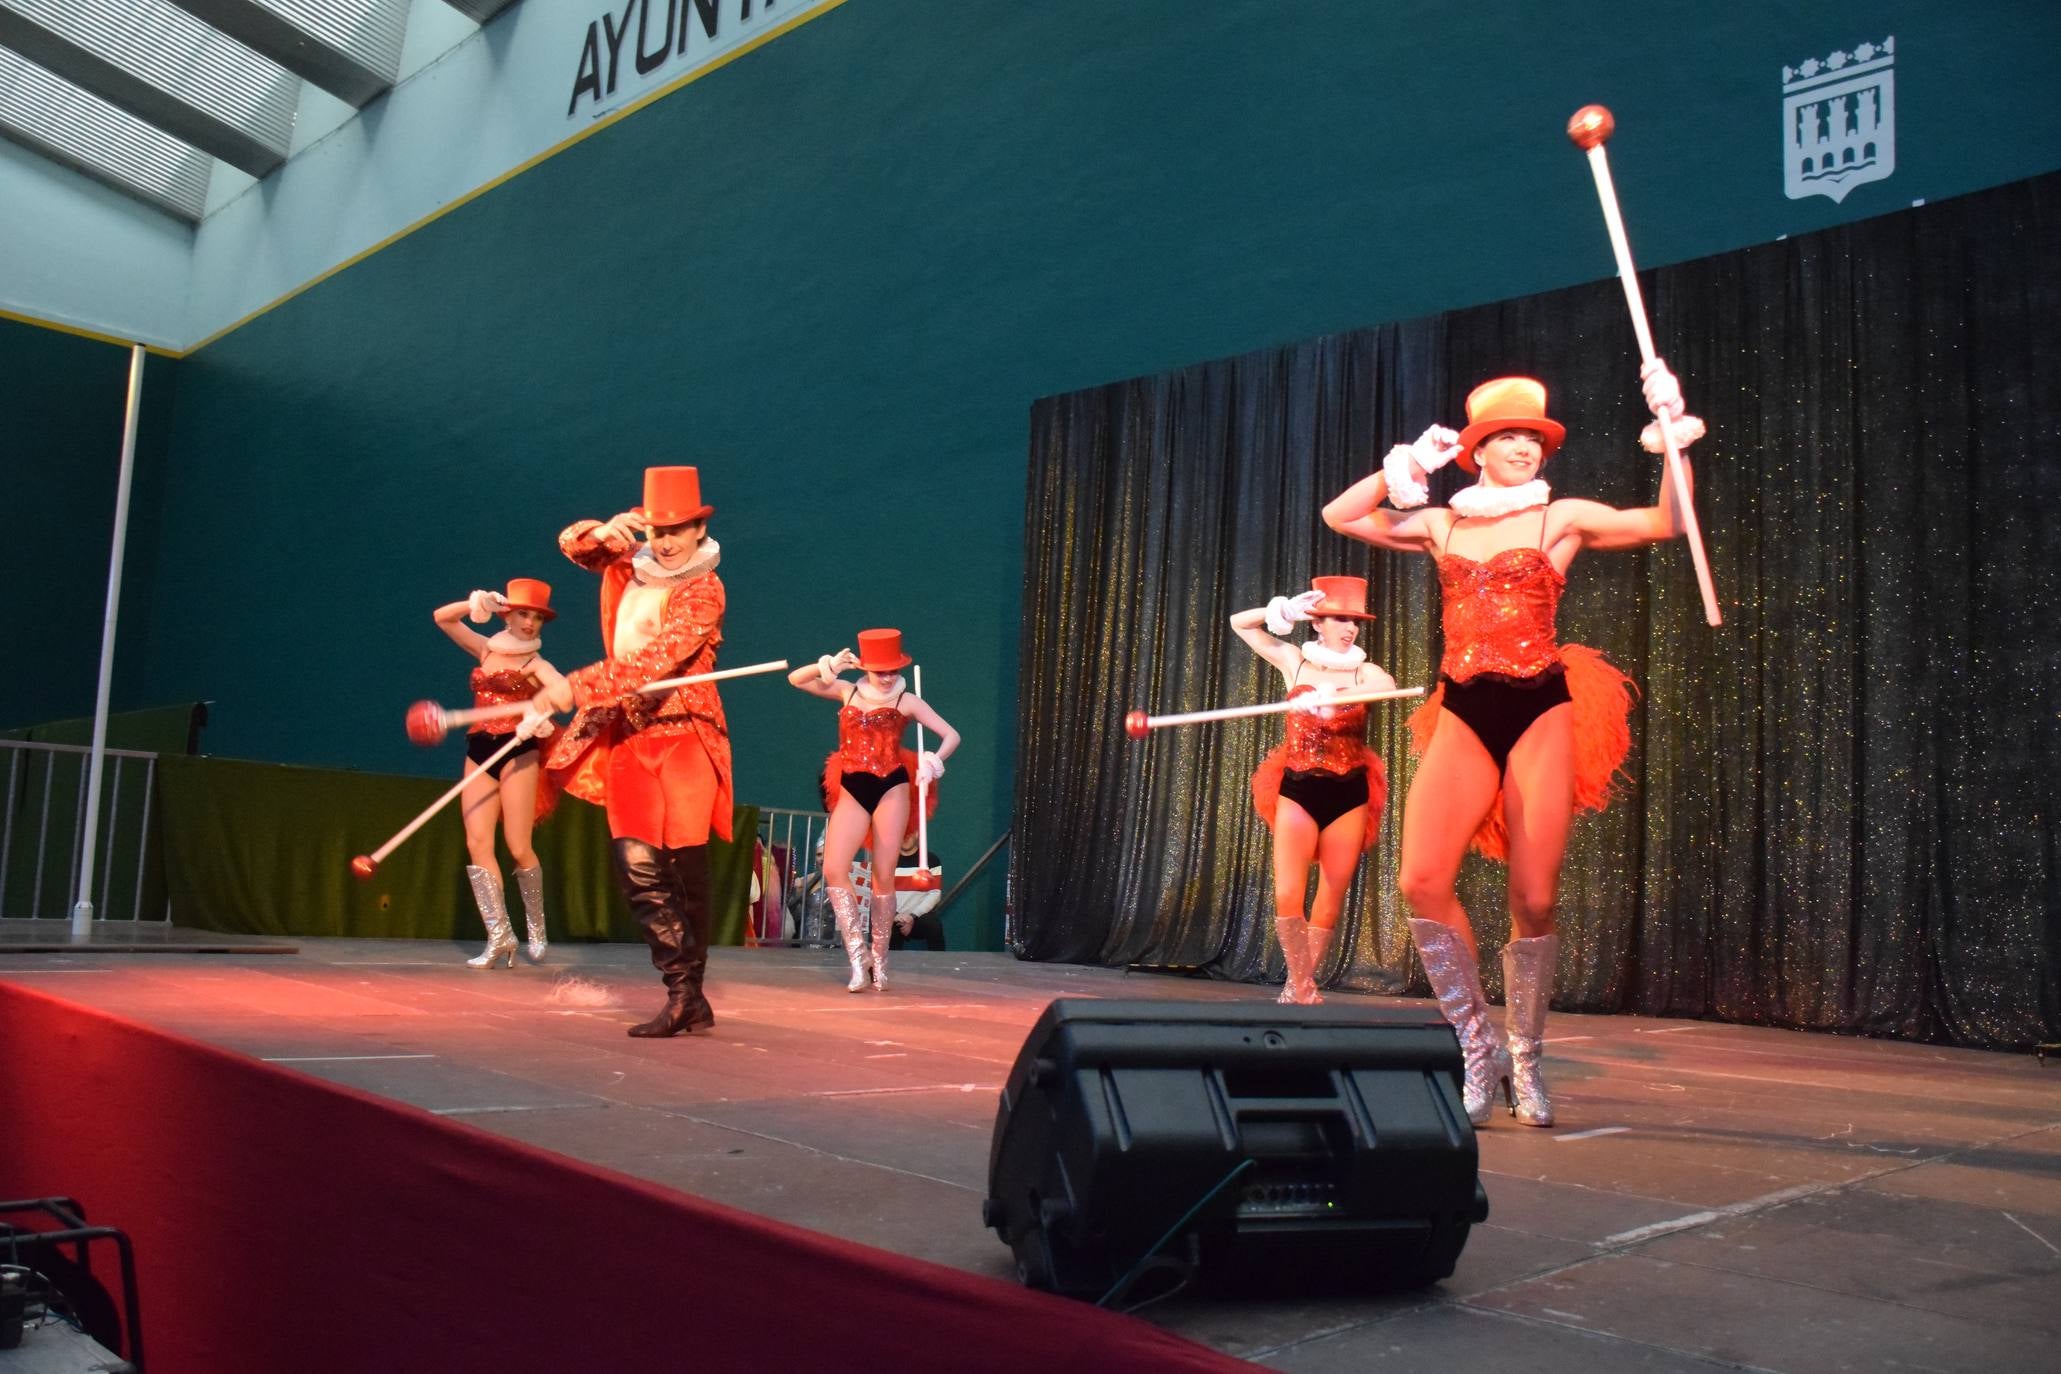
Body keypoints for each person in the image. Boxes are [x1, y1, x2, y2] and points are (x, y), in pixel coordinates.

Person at [1322, 366, 1700, 1125]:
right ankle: (1476, 1046)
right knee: (1420, 882)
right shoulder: (1443, 525)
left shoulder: (1559, 518)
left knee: (1534, 896)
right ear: (1479, 450)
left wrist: (1670, 443)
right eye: (1508, 437)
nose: (1524, 448)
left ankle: (1526, 1055)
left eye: (1534, 437)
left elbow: (1666, 524)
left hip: (1538, 706)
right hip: (1463, 705)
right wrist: (1405, 467)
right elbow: (1339, 515)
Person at [531, 466, 731, 1038]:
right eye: (655, 531)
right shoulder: (630, 565)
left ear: (698, 530)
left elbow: (657, 660)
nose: (665, 542)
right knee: (637, 866)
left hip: (686, 732)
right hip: (627, 733)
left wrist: (576, 685)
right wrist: (604, 530)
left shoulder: (705, 588)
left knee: (685, 867)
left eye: (676, 530)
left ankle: (688, 993)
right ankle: (681, 993)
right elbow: (571, 544)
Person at [1230, 576, 1394, 1003]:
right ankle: (1301, 982)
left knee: (1330, 895)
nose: (1350, 628)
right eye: (1340, 619)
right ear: (1317, 622)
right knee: (1287, 892)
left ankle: (1297, 985)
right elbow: (1239, 624)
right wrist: (1280, 611)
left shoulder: (1366, 671)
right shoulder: (1294, 662)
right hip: (1298, 787)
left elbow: (1388, 690)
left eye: (1355, 621)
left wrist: (1333, 695)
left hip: (1349, 792)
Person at [787, 630, 959, 991]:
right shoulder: (846, 690)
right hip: (853, 785)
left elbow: (951, 735)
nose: (888, 677)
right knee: (834, 868)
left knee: (884, 874)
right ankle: (858, 956)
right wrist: (828, 665)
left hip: (891, 787)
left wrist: (934, 761)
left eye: (893, 669)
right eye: (881, 670)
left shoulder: (906, 700)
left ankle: (880, 961)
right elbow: (795, 680)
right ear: (865, 666)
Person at [430, 579, 564, 968]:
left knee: (518, 845)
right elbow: (443, 619)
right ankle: (500, 936)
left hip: (517, 749)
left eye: (537, 617)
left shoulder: (535, 664)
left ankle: (536, 929)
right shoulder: (486, 649)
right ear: (507, 613)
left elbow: (560, 691)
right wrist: (476, 604)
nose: (530, 623)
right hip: (479, 748)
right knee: (477, 842)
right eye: (523, 613)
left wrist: (540, 712)